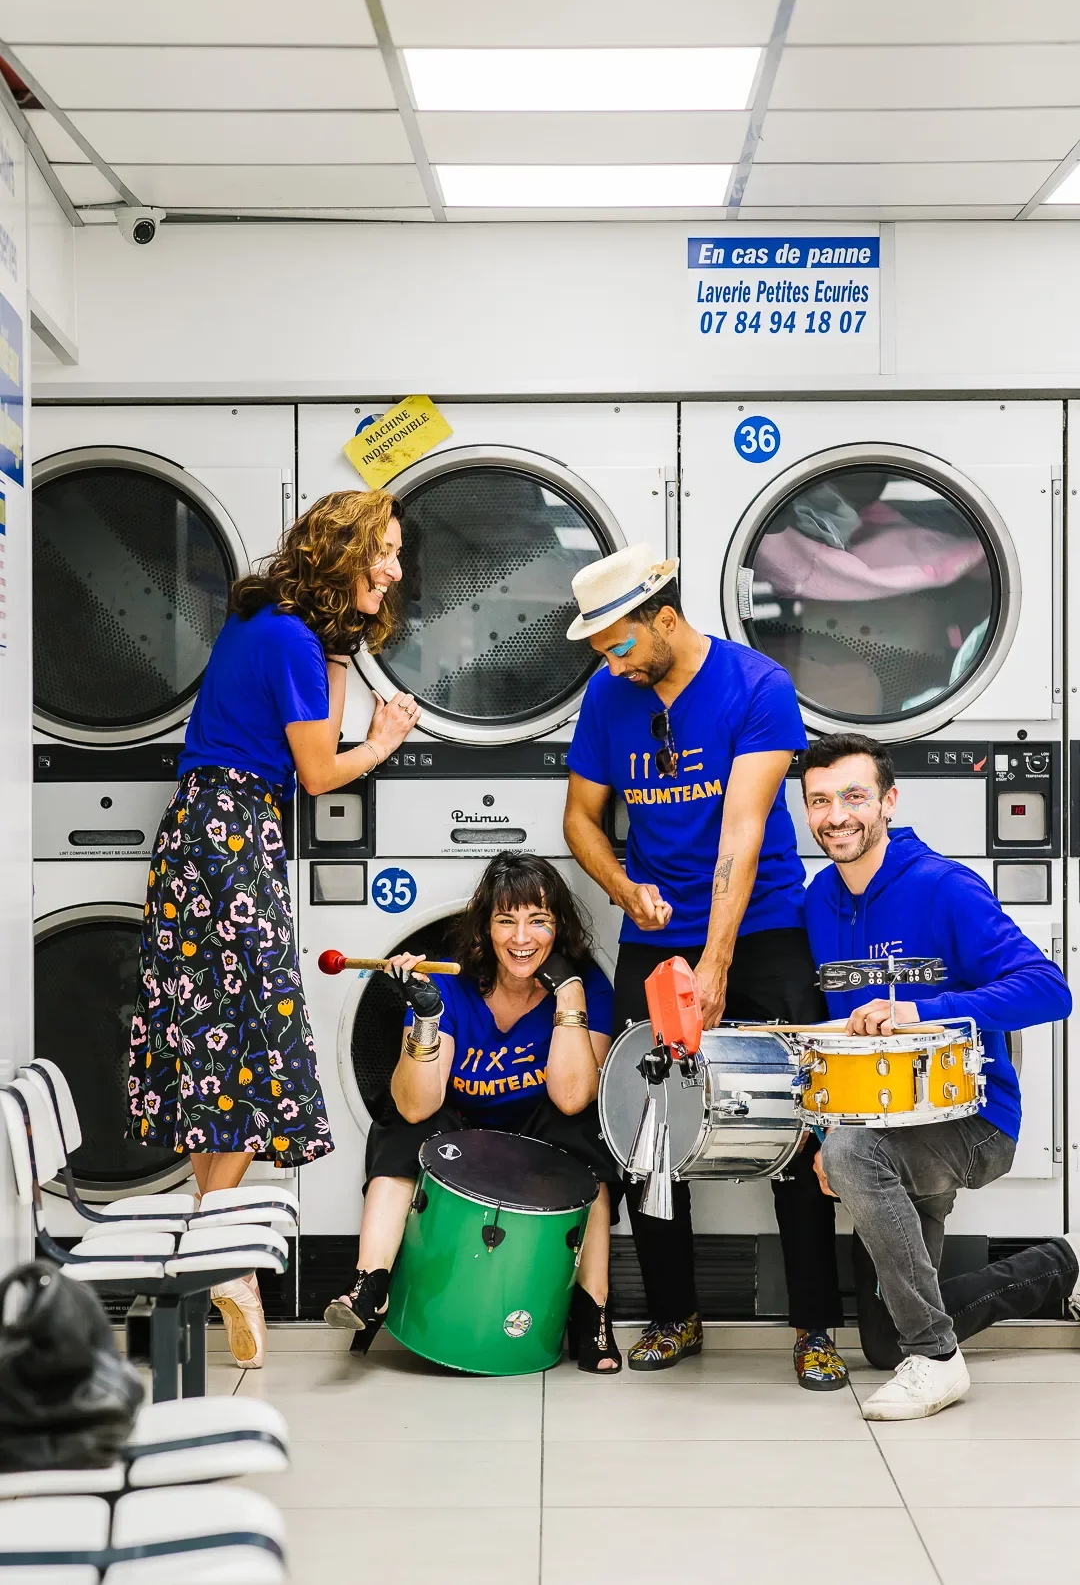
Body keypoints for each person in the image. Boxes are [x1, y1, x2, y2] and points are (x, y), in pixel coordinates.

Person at [129, 489, 421, 1369]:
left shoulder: (270, 625)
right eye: (384, 551)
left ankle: (218, 1259)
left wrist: (344, 646)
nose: (395, 569)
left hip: (203, 835)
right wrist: (386, 739)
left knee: (220, 1049)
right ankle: (213, 1252)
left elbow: (306, 730)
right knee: (259, 1047)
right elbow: (321, 770)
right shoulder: (292, 638)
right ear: (344, 551)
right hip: (233, 838)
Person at [562, 542, 846, 1388]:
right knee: (646, 1123)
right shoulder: (608, 696)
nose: (611, 664)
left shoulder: (757, 685)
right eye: (599, 651)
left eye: (618, 644)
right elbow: (579, 818)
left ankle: (814, 1326)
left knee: (796, 1119)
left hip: (762, 927)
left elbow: (742, 832)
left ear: (665, 619)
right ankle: (675, 1313)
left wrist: (716, 960)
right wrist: (623, 887)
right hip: (655, 937)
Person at [802, 731, 1076, 1419]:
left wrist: (921, 1012)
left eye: (854, 796)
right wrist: (824, 1133)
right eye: (820, 801)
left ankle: (938, 1358)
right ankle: (1055, 1265)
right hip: (883, 1123)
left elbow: (1050, 989)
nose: (837, 815)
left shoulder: (944, 888)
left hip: (972, 1122)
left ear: (889, 801)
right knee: (879, 1342)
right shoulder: (818, 901)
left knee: (854, 1154)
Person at [325, 852, 622, 1373]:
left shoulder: (587, 987)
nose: (521, 937)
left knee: (584, 1131)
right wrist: (426, 1016)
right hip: (460, 1130)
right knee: (401, 1125)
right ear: (485, 928)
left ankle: (592, 1312)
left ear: (559, 927)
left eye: (538, 920)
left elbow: (573, 1096)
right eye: (506, 920)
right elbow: (417, 1103)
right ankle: (370, 1286)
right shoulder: (449, 985)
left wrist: (569, 992)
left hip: (537, 1133)